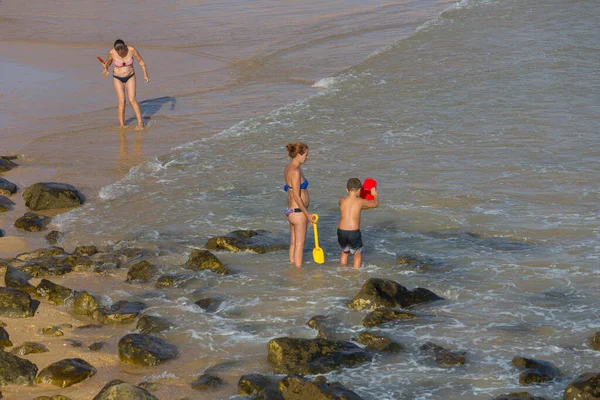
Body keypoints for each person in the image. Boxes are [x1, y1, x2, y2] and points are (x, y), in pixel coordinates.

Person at [104, 39, 150, 130]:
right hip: (117, 78)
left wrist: (145, 75)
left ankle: (140, 124)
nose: (121, 55)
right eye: (118, 53)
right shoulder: (112, 52)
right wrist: (105, 65)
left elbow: (141, 61)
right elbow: (108, 63)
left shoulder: (131, 49)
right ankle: (122, 125)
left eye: (122, 52)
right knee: (122, 102)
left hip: (130, 76)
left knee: (132, 99)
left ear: (125, 48)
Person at [284, 142, 315, 268]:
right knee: (300, 245)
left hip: (290, 211)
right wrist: (307, 215)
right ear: (298, 155)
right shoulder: (296, 171)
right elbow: (297, 196)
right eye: (305, 155)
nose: (306, 157)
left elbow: (289, 191)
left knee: (293, 242)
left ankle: (291, 267)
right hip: (298, 212)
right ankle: (298, 275)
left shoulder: (288, 167)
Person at [337, 178, 379, 269]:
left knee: (344, 252)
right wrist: (374, 195)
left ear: (347, 189)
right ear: (360, 190)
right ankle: (356, 274)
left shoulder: (341, 200)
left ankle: (342, 270)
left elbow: (348, 208)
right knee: (357, 255)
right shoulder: (360, 201)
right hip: (353, 232)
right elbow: (375, 204)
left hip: (341, 231)